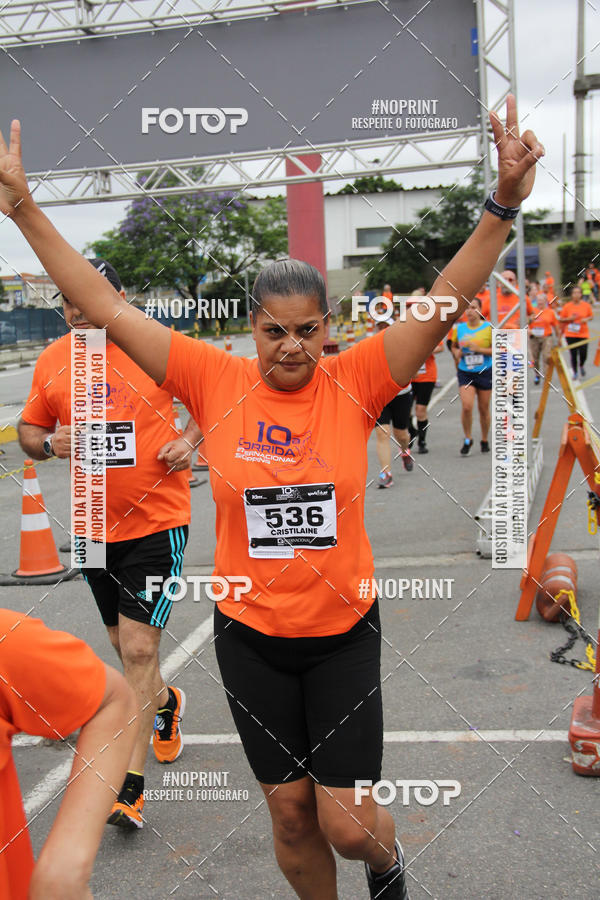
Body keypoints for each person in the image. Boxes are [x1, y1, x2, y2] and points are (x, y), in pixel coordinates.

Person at [0, 99, 543, 898]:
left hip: (342, 635)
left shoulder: (357, 378)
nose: (292, 348)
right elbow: (106, 306)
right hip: (251, 638)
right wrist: (21, 207)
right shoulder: (209, 377)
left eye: (309, 330)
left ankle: (388, 868)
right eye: (274, 332)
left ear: (329, 328)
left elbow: (446, 297)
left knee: (348, 825)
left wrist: (500, 203)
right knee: (291, 818)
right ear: (251, 329)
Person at [17, 258, 196, 830]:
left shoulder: (156, 346)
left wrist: (190, 440)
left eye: (85, 298)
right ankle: (165, 706)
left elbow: (220, 403)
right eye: (66, 301)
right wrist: (50, 446)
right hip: (93, 525)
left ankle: (130, 785)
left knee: (141, 651)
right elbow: (28, 430)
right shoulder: (53, 360)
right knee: (124, 647)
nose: (75, 311)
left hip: (158, 522)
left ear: (117, 294)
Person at [0, 607, 136, 899]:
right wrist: (90, 559)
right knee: (118, 637)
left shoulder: (5, 641)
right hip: (100, 565)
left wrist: (64, 870)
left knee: (139, 648)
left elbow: (112, 699)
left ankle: (133, 784)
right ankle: (166, 698)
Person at [449, 297, 493, 455]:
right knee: (467, 406)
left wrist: (479, 349)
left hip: (485, 371)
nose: (470, 311)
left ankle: (484, 439)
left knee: (483, 408)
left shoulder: (488, 328)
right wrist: (456, 353)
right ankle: (468, 438)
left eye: (474, 307)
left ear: (480, 310)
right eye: (467, 308)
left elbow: (498, 350)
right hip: (465, 372)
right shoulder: (459, 328)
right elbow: (453, 347)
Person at [374, 321, 413, 486]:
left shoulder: (404, 344)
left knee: (401, 434)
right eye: (380, 326)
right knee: (382, 433)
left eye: (386, 326)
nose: (383, 329)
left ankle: (405, 451)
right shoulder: (370, 347)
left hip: (401, 395)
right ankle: (386, 473)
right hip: (380, 397)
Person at [560, 284, 594, 379]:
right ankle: (575, 372)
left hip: (583, 333)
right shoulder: (567, 306)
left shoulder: (586, 305)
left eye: (578, 293)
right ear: (571, 295)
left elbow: (591, 316)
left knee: (583, 353)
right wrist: (569, 319)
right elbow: (561, 319)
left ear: (581, 294)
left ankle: (582, 365)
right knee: (573, 354)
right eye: (574, 293)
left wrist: (586, 319)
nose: (576, 295)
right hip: (570, 334)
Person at [528, 292, 560, 384]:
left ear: (545, 301)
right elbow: (526, 322)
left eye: (542, 300)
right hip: (534, 337)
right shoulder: (532, 311)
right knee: (535, 358)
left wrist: (558, 338)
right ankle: (537, 375)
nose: (540, 302)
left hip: (546, 337)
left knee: (546, 357)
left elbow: (556, 326)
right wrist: (528, 329)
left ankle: (547, 378)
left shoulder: (550, 312)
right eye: (538, 300)